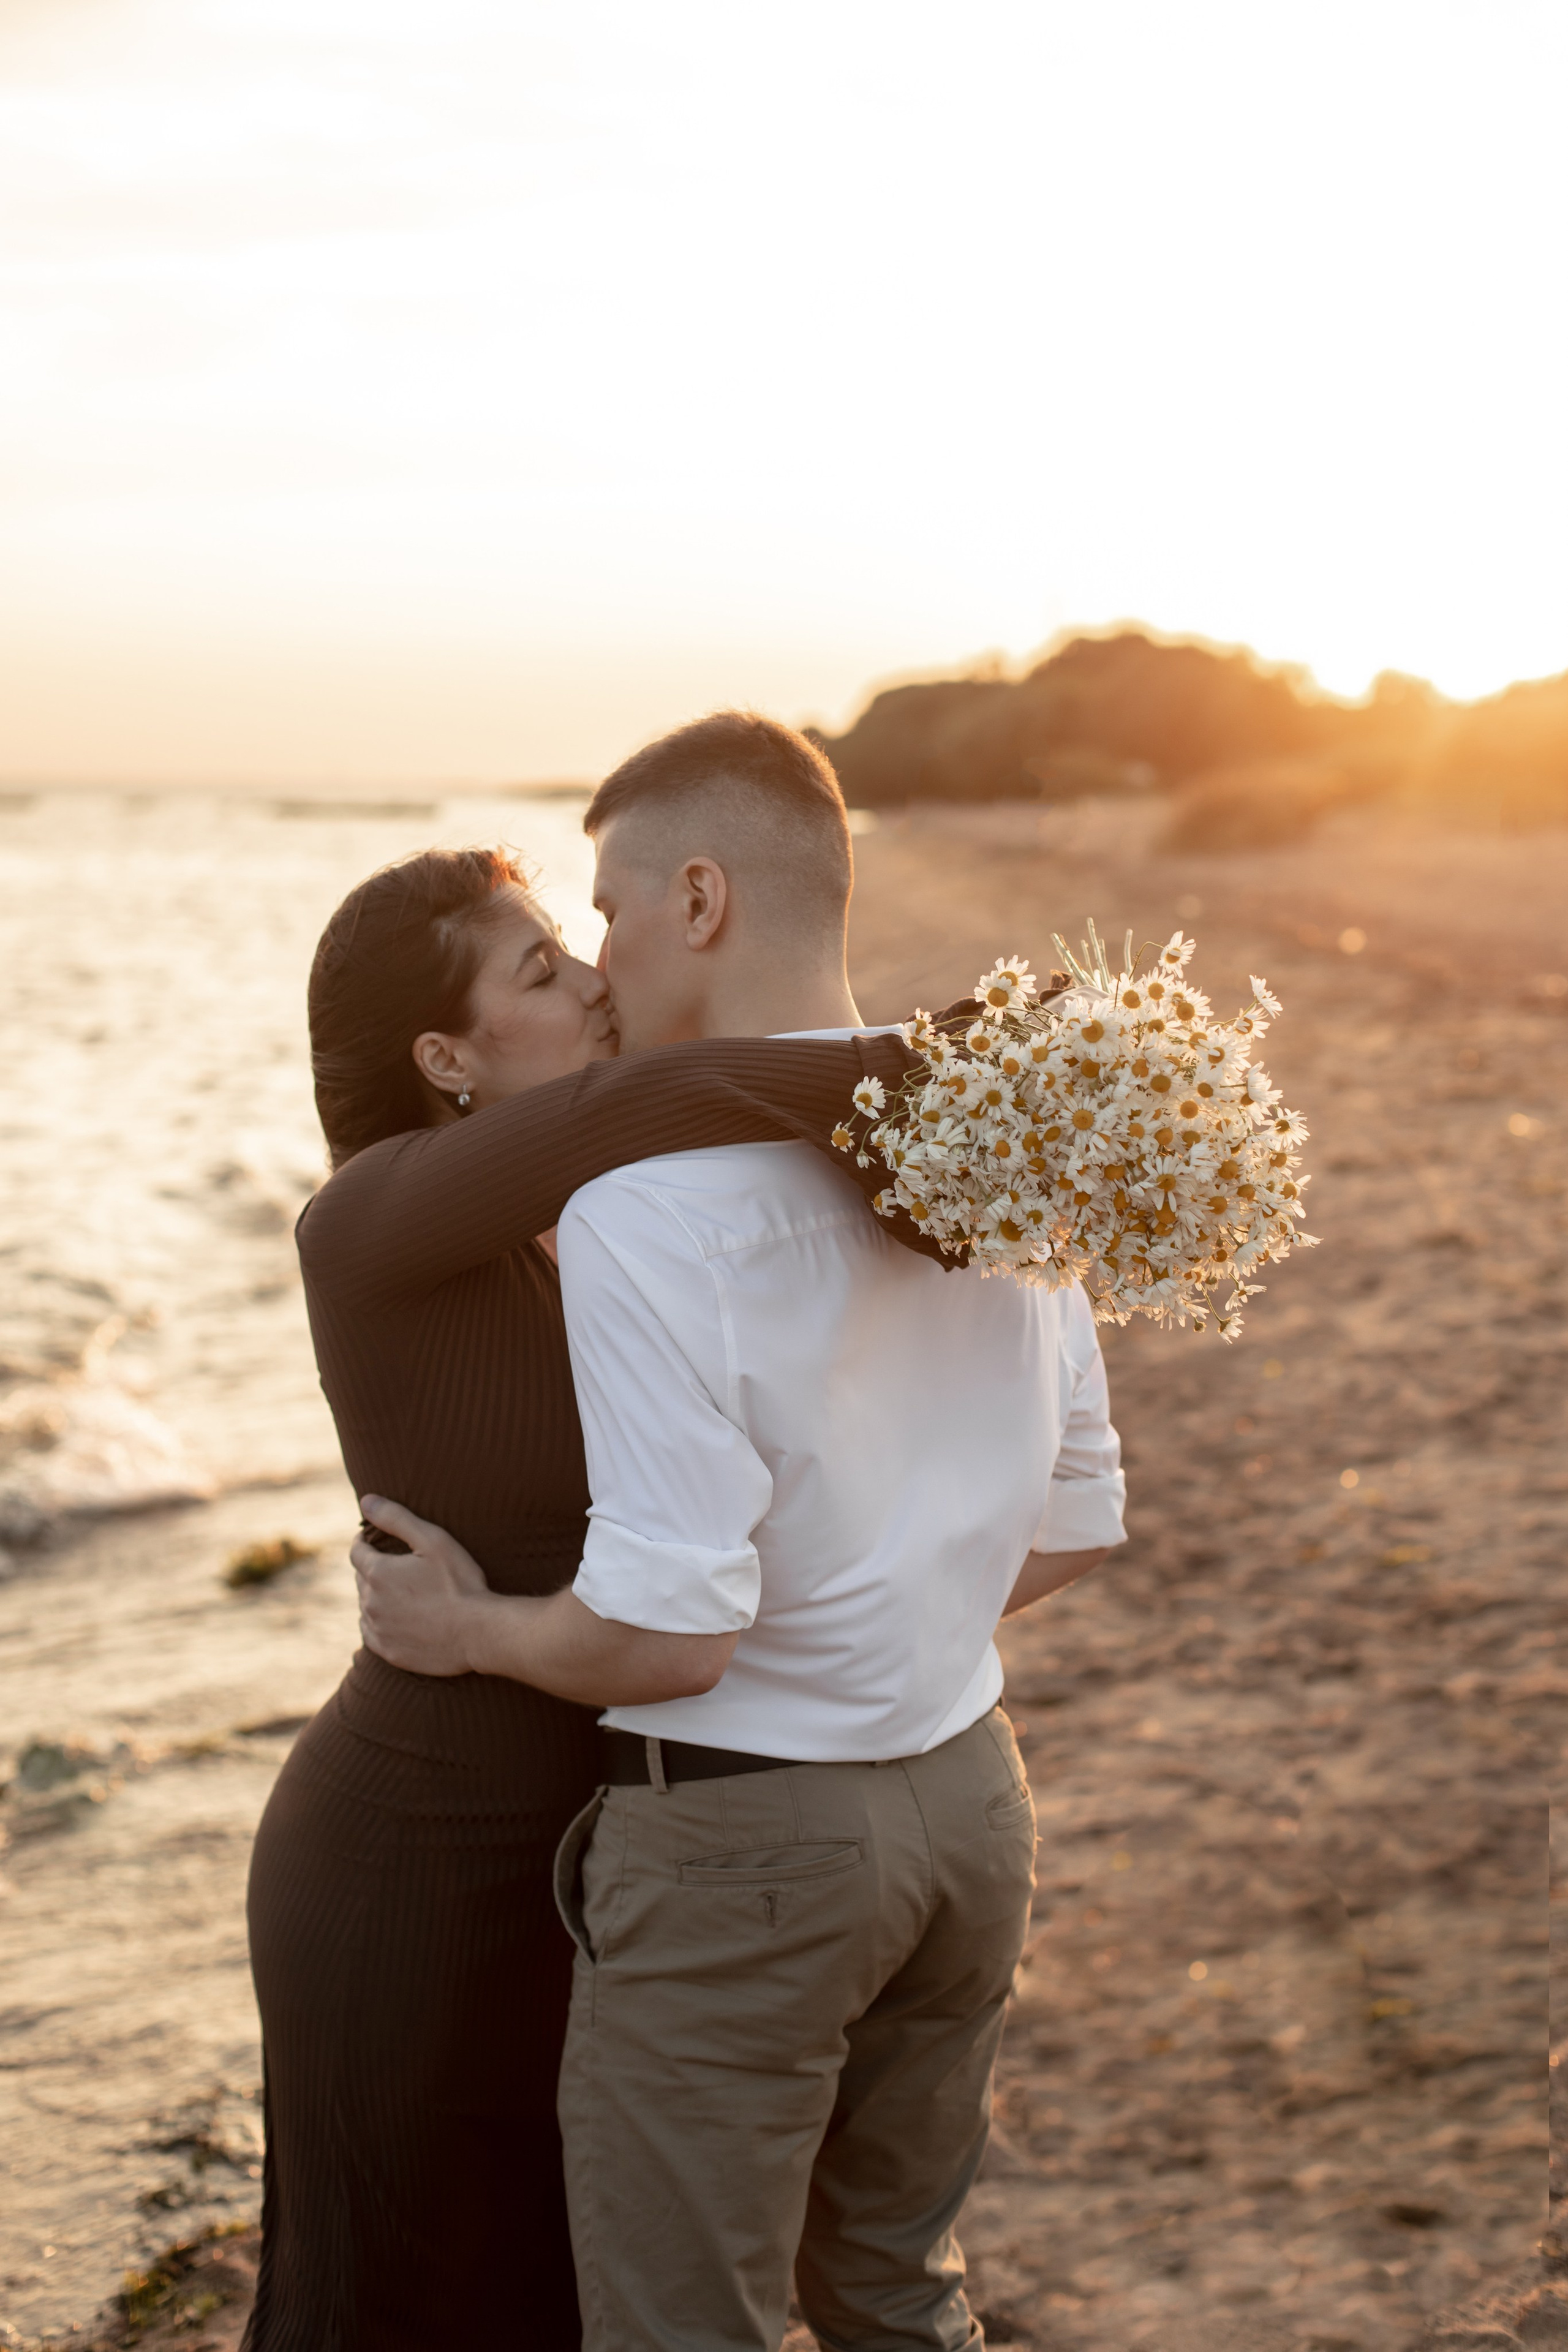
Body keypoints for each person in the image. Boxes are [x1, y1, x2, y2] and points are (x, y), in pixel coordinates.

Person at [356, 714, 1128, 2352]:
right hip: (971, 1810)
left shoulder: (649, 1209)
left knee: (681, 2325)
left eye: (613, 908)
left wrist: (471, 1629)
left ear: (699, 898)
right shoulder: (1000, 1146)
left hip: (746, 1853)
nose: (607, 955)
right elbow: (1076, 1523)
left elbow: (670, 1636)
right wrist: (893, 1626)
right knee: (899, 2294)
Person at [242, 840, 936, 2351]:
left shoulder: (579, 1233)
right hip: (413, 1866)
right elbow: (646, 1098)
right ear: (445, 1055)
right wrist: (959, 1061)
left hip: (602, 1850)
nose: (597, 981)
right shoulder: (357, 1225)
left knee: (565, 2290)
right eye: (543, 972)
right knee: (390, 2304)